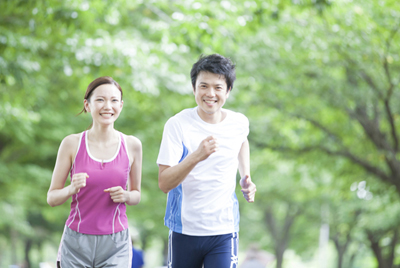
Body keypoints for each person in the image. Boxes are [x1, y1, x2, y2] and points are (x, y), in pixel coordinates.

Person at [157, 54, 257, 268]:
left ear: (228, 91)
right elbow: (164, 183)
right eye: (203, 86)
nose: (210, 94)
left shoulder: (239, 122)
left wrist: (245, 175)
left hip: (224, 230)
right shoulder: (177, 125)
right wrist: (196, 156)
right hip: (184, 229)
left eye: (218, 87)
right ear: (194, 88)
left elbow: (242, 142)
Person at [47, 76, 142, 268]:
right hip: (76, 243)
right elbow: (52, 198)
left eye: (114, 100)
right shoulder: (71, 144)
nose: (108, 106)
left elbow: (136, 195)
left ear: (121, 106)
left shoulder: (132, 145)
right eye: (100, 99)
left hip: (116, 243)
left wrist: (125, 195)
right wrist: (70, 189)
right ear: (88, 105)